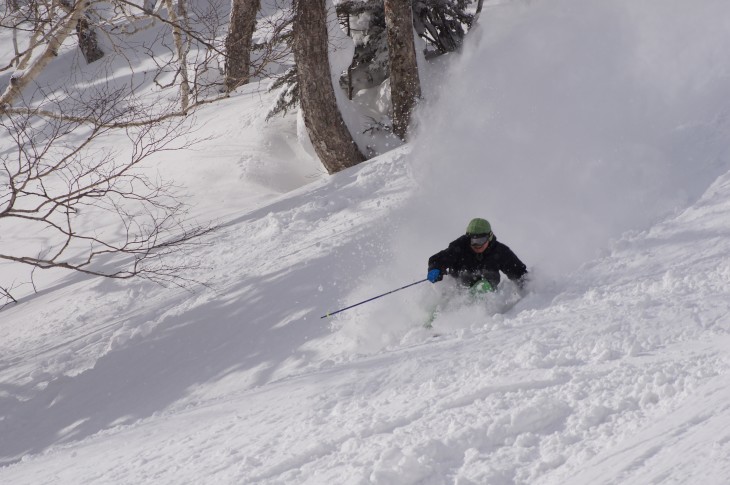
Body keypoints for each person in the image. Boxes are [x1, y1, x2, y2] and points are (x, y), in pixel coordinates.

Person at [427, 218, 528, 293]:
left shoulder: (500, 252)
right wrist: (434, 269)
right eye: (473, 240)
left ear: (489, 237)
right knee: (443, 302)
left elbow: (519, 272)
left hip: (486, 288)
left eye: (481, 240)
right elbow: (437, 260)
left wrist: (529, 289)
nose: (477, 245)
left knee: (481, 288)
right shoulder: (459, 247)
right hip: (457, 288)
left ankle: (474, 318)